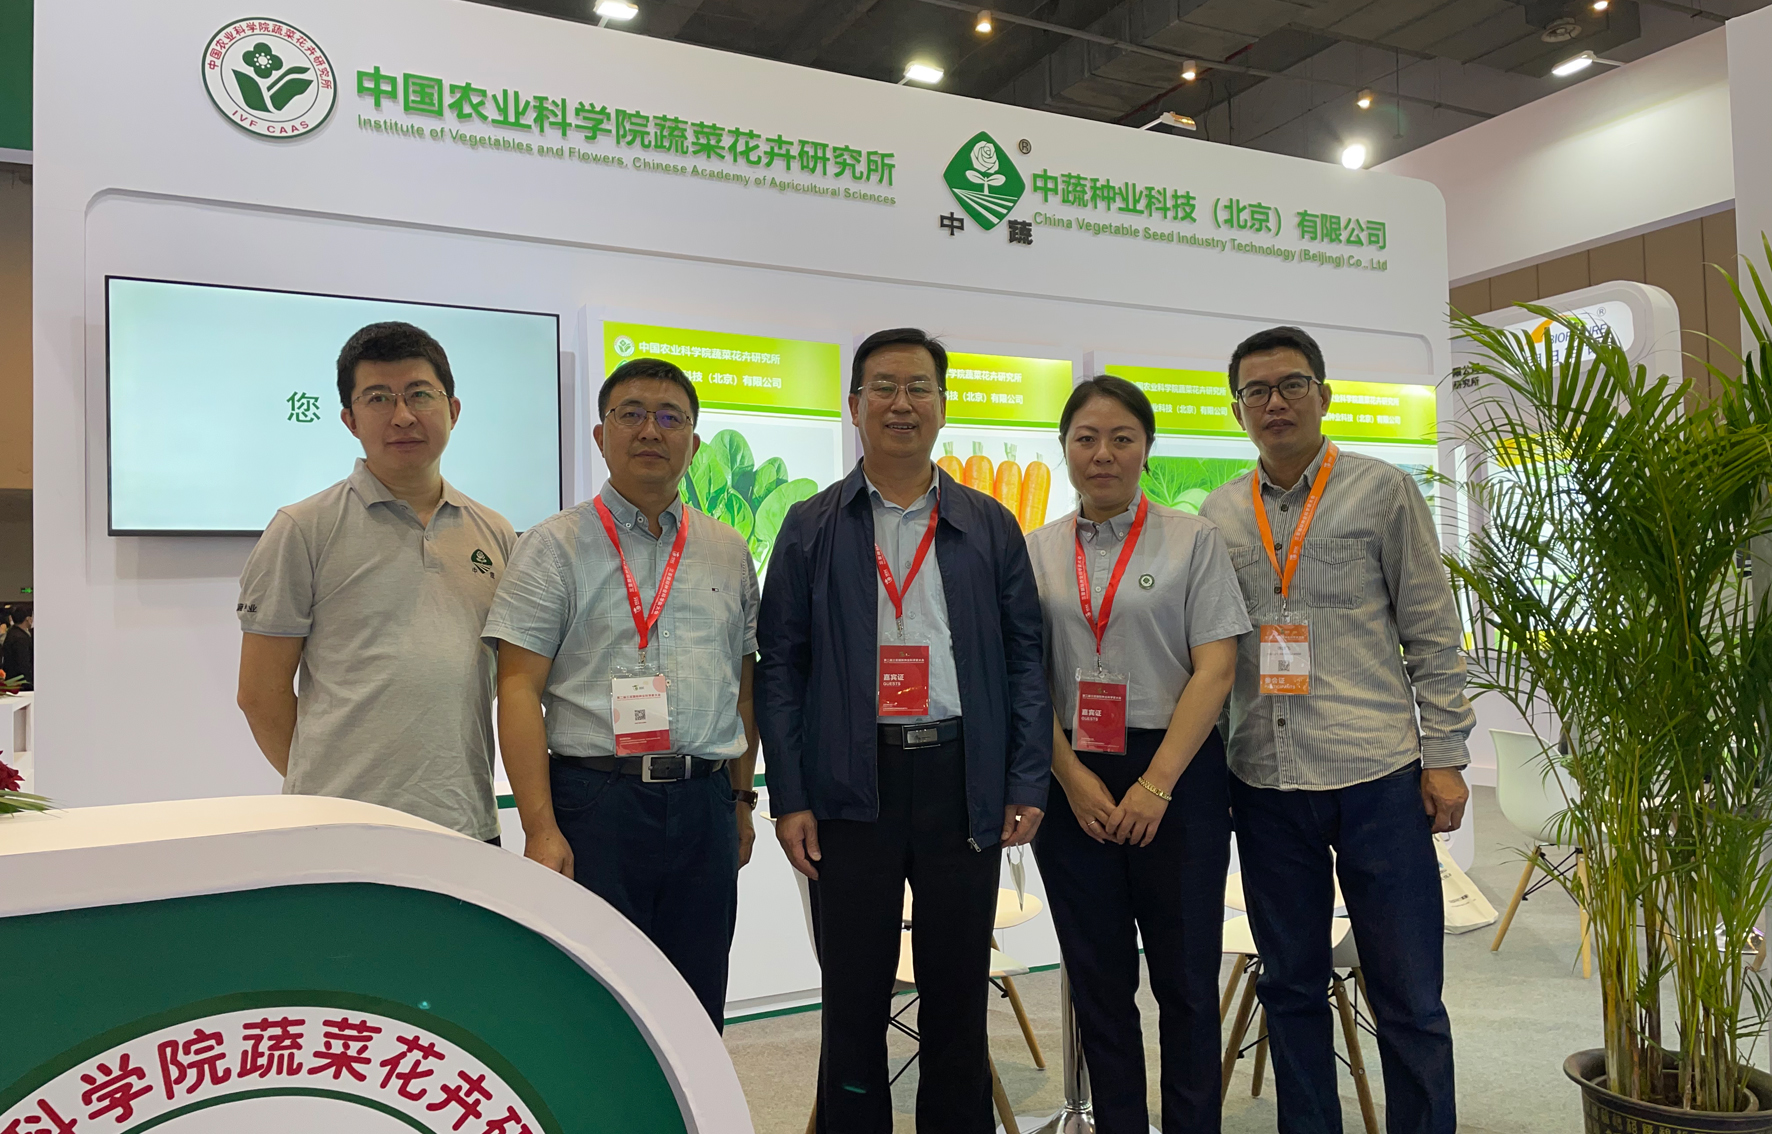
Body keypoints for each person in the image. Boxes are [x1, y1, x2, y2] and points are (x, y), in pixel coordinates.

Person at [759, 327, 1050, 1134]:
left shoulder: (989, 525)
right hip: (852, 785)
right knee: (853, 996)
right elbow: (780, 669)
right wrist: (791, 795)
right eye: (883, 387)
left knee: (958, 993)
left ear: (943, 405)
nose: (901, 403)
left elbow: (1026, 660)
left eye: (919, 387)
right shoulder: (810, 526)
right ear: (854, 405)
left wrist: (1025, 778)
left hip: (961, 778)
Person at [1200, 326, 1474, 1134]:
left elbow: (1432, 632)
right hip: (1265, 781)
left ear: (1324, 395)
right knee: (1289, 986)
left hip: (1376, 777)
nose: (1275, 403)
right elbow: (1214, 655)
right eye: (1256, 391)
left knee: (1408, 993)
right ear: (1238, 410)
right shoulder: (1220, 512)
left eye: (1291, 385)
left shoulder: (1383, 492)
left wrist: (1446, 756)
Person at [484, 357, 761, 1029]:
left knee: (696, 1004)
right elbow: (517, 688)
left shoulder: (728, 550)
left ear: (693, 441)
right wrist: (540, 827)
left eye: (670, 418)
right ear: (600, 435)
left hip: (703, 803)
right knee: (595, 1006)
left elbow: (744, 688)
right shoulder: (551, 546)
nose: (650, 431)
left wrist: (740, 800)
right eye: (630, 413)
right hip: (595, 803)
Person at [1025, 376, 1250, 1134]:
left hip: (1177, 771)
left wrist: (1156, 784)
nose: (1103, 453)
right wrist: (1070, 778)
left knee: (1186, 982)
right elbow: (1026, 680)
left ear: (1146, 449)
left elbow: (1216, 667)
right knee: (1100, 982)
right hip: (1073, 775)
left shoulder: (1192, 540)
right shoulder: (1035, 552)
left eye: (1122, 438)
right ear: (1063, 448)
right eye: (1086, 438)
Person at [235, 322, 514, 842]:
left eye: (420, 395)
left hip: (467, 824)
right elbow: (259, 694)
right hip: (341, 830)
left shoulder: (494, 532)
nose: (403, 415)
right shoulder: (302, 528)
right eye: (379, 398)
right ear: (350, 419)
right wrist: (327, 790)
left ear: (453, 410)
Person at [1, 604, 32, 689]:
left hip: (13, 681)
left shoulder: (12, 632)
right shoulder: (20, 638)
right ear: (28, 619)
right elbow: (23, 662)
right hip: (21, 683)